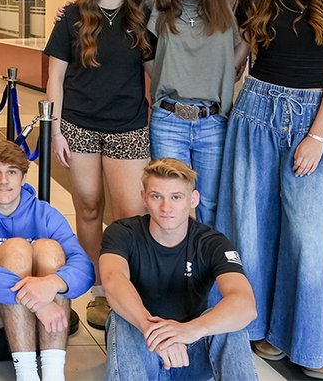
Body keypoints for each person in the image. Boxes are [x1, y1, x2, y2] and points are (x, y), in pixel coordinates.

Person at [215, 0, 323, 380]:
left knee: (308, 239)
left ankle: (312, 344)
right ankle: (262, 330)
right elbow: (236, 59)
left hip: (310, 118)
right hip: (255, 111)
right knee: (253, 230)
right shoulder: (251, 2)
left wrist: (316, 135)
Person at [42, 0, 153, 331]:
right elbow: (54, 78)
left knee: (128, 215)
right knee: (88, 207)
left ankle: (127, 287)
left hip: (129, 125)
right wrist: (55, 130)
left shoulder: (145, 13)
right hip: (79, 124)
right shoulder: (72, 16)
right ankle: (100, 289)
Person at [101, 158, 258, 380]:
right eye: (157, 196)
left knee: (230, 323)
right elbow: (112, 280)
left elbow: (246, 305)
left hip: (190, 351)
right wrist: (153, 331)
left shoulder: (212, 242)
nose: (166, 207)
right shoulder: (122, 232)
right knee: (121, 319)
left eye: (176, 197)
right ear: (144, 198)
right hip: (143, 345)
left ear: (193, 200)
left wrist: (189, 331)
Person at [0, 141, 95, 381]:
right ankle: (26, 374)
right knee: (17, 248)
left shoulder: (45, 213)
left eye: (12, 172)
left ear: (24, 178)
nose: (4, 180)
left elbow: (84, 268)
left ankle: (53, 373)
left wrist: (52, 284)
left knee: (49, 248)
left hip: (45, 331)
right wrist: (39, 303)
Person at [146, 0, 244, 230]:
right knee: (167, 205)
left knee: (211, 206)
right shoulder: (156, 4)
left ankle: (210, 276)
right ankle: (170, 274)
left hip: (214, 121)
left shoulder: (231, 5)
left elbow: (265, 24)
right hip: (168, 120)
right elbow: (111, 9)